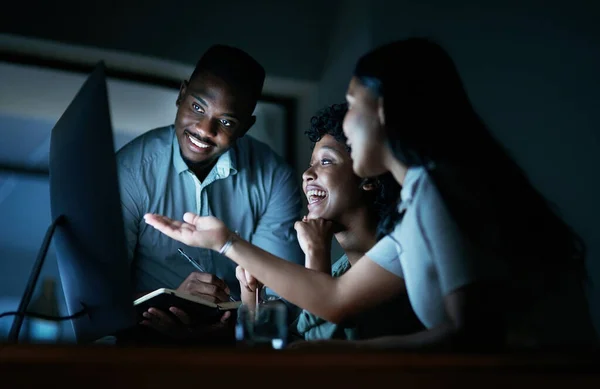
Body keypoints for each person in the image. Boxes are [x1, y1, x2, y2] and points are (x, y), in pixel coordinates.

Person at [144, 38, 597, 350]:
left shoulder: (436, 188)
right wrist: (225, 243)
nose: (347, 124)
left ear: (382, 111)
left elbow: (468, 335)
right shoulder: (421, 199)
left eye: (352, 103)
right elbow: (336, 299)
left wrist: (333, 356)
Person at [116, 44, 304, 339]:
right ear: (181, 94)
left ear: (246, 127)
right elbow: (100, 297)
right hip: (146, 345)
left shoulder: (274, 178)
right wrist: (171, 302)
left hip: (239, 353)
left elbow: (286, 297)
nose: (204, 129)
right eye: (197, 107)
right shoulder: (128, 170)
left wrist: (231, 326)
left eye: (226, 121)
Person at [237, 103, 423, 340]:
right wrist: (251, 292)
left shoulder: (397, 265)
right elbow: (285, 341)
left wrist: (316, 252)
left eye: (325, 162)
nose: (307, 174)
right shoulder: (341, 270)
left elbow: (319, 355)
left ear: (369, 178)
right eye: (310, 164)